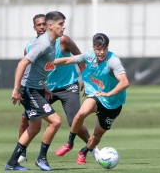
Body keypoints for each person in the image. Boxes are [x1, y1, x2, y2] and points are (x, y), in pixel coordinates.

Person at [17, 14, 99, 164]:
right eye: (38, 25)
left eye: (43, 24)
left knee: (74, 119)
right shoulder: (30, 47)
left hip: (68, 86)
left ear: (49, 25)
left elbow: (80, 56)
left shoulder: (63, 40)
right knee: (25, 117)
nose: (41, 27)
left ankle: (93, 149)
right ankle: (21, 153)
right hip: (45, 89)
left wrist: (85, 80)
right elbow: (28, 69)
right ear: (34, 28)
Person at [54, 33, 130, 164]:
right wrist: (47, 62)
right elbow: (67, 60)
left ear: (107, 48)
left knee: (97, 135)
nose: (101, 52)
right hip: (97, 94)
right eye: (98, 49)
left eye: (104, 49)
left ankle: (83, 151)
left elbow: (124, 82)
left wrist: (109, 94)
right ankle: (69, 143)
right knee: (80, 113)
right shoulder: (89, 56)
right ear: (93, 47)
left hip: (113, 103)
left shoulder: (113, 61)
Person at [4, 11, 66, 171]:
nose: (63, 27)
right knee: (56, 121)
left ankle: (11, 163)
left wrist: (43, 85)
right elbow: (23, 62)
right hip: (29, 90)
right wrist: (16, 89)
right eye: (60, 24)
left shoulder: (52, 42)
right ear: (50, 26)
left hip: (36, 88)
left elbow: (39, 66)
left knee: (34, 127)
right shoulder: (43, 43)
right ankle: (41, 158)